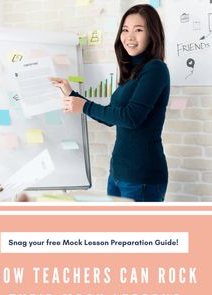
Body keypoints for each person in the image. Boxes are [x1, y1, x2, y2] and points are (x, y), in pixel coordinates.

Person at [49, 4, 170, 202]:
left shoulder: (156, 69)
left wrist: (84, 106)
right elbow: (112, 118)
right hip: (117, 174)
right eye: (125, 30)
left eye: (138, 30)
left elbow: (131, 118)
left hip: (142, 176)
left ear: (152, 34)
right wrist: (72, 94)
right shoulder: (132, 72)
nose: (129, 36)